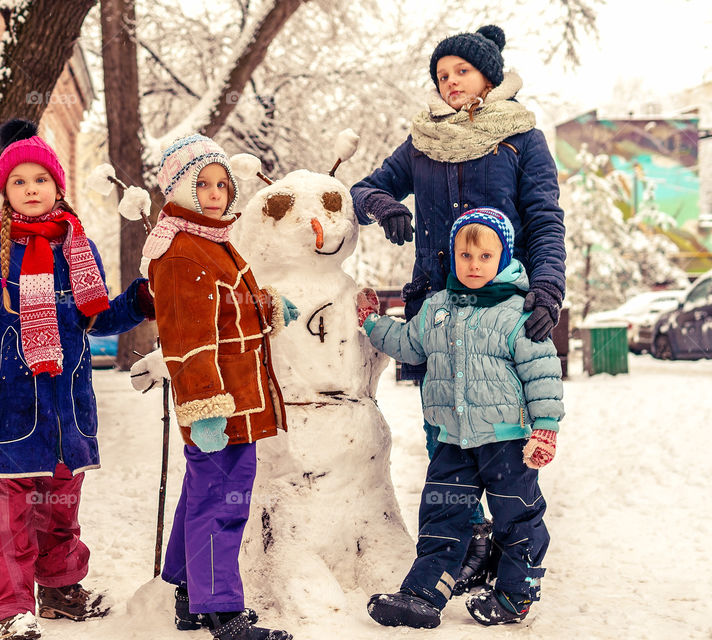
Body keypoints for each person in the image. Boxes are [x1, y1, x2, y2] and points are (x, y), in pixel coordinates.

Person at [350, 24, 567, 591]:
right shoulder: (423, 140)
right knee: (444, 424)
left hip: (502, 307)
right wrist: (385, 207)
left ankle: (511, 542)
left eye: (460, 72)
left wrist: (546, 290)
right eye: (442, 75)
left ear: (488, 77)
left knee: (501, 433)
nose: (450, 83)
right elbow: (364, 188)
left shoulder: (522, 138)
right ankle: (463, 541)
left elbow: (544, 219)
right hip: (438, 307)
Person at [0, 119, 155, 640]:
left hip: (68, 406)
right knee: (11, 516)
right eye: (19, 181)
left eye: (41, 179)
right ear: (5, 192)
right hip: (14, 405)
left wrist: (139, 302)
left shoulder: (78, 248)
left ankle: (60, 589)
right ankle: (11, 611)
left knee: (61, 506)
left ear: (59, 187)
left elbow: (97, 317)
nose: (31, 189)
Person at [357, 207, 563, 628]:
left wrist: (544, 430)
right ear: (453, 257)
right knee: (441, 517)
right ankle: (423, 594)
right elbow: (409, 345)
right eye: (465, 256)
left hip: (506, 441)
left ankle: (514, 596)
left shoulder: (517, 312)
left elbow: (542, 373)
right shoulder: (436, 309)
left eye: (485, 257)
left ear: (503, 258)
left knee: (516, 516)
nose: (474, 265)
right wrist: (373, 323)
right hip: (452, 440)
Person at [145, 134, 298, 640]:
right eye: (201, 183)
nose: (214, 193)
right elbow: (186, 340)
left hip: (237, 399)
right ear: (179, 189)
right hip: (219, 406)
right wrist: (205, 408)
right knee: (223, 501)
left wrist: (269, 307)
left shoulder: (212, 240)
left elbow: (229, 309)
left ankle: (191, 594)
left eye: (221, 184)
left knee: (203, 493)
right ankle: (222, 610)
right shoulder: (183, 253)